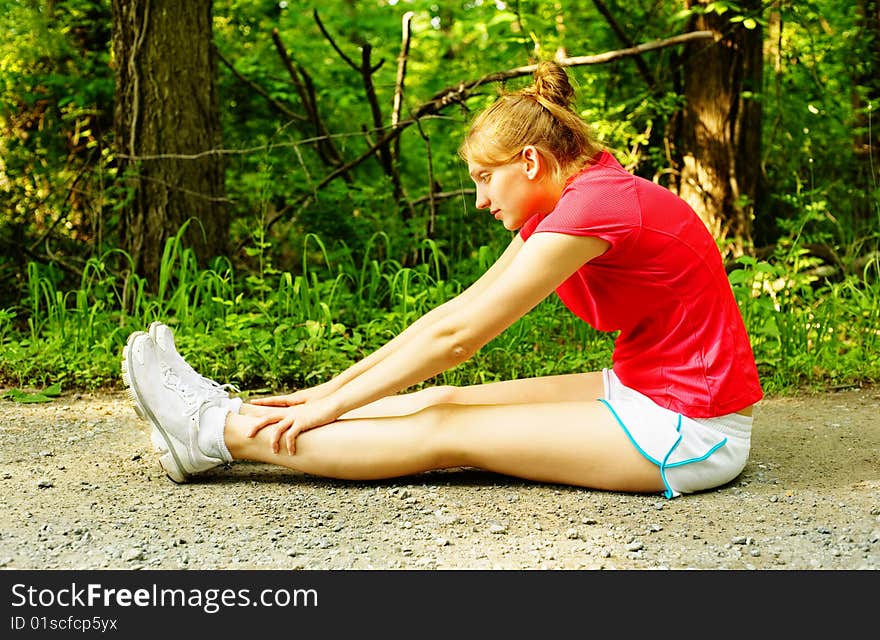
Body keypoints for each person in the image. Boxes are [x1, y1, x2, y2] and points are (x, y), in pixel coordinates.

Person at [122, 61, 763, 499]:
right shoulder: (581, 195)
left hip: (689, 430)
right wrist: (325, 390)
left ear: (532, 162)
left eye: (485, 178)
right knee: (439, 400)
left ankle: (212, 435)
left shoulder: (596, 206)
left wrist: (331, 405)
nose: (481, 200)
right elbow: (456, 311)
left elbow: (461, 337)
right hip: (643, 390)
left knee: (446, 430)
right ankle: (234, 411)